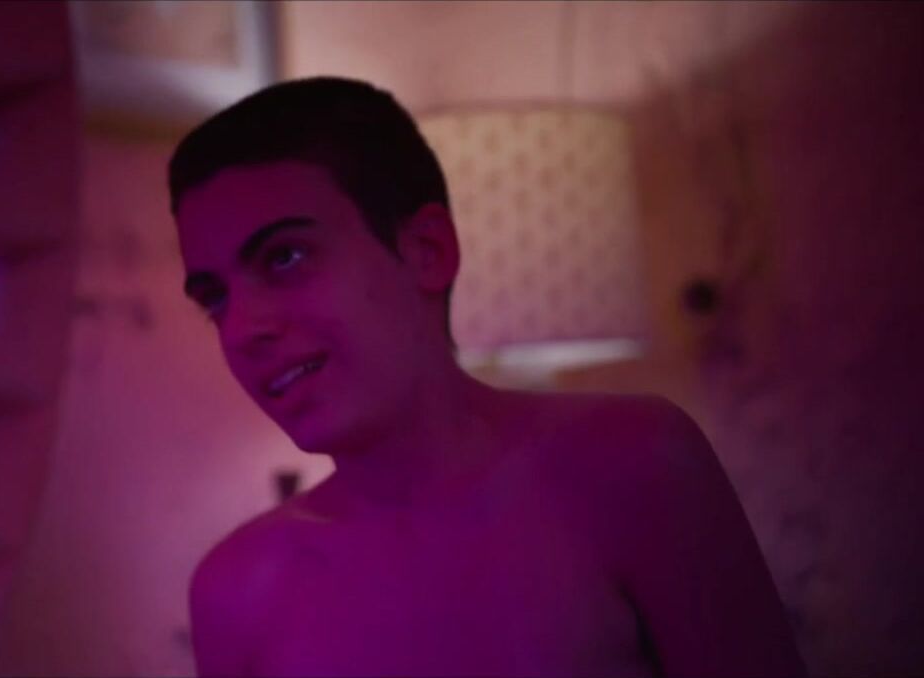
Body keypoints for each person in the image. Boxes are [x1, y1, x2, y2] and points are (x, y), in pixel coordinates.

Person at [167, 76, 805, 678]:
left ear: (427, 251)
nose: (242, 328)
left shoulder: (630, 464)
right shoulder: (237, 589)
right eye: (215, 298)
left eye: (285, 257)